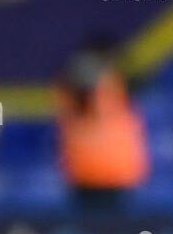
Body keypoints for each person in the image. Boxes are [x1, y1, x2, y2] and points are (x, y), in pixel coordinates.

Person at [55, 36, 150, 213]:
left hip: (119, 178)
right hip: (84, 177)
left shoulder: (119, 84)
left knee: (119, 231)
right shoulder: (74, 84)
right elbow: (79, 96)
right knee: (85, 231)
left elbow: (141, 78)